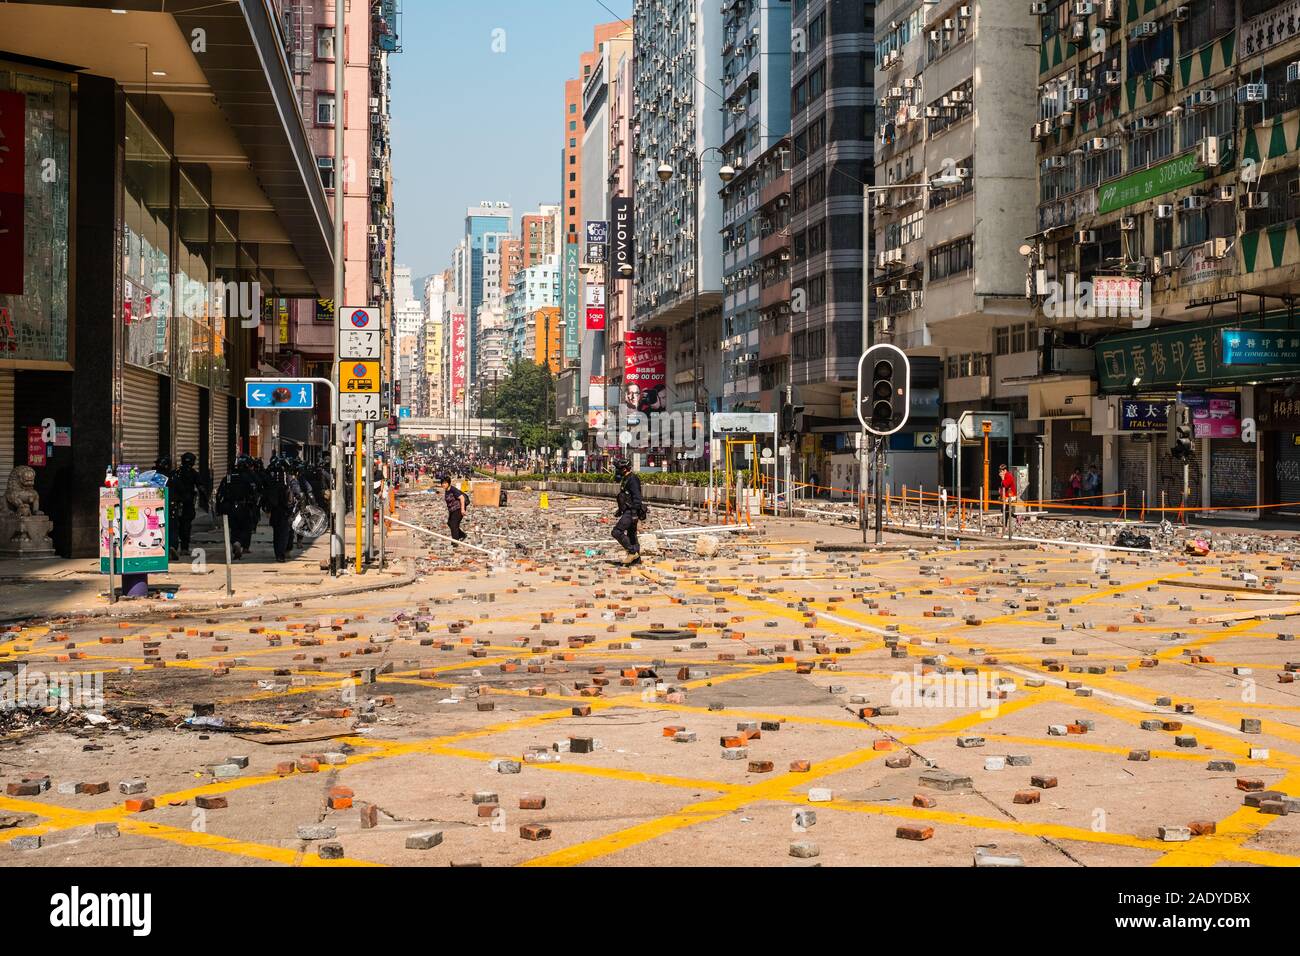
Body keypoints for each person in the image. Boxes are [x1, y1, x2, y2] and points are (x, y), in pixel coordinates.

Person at [215, 456, 258, 559]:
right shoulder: (247, 477)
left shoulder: (228, 478)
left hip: (230, 507)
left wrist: (219, 508)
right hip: (244, 507)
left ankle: (235, 542)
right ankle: (239, 543)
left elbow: (220, 494)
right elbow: (253, 492)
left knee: (234, 528)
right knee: (245, 528)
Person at [612, 457, 644, 565]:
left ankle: (632, 551)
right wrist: (620, 510)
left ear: (625, 469)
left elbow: (637, 498)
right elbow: (625, 497)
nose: (617, 471)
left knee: (616, 532)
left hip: (632, 511)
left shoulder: (632, 479)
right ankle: (637, 560)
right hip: (627, 510)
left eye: (619, 469)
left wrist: (634, 513)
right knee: (631, 535)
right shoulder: (625, 478)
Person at [171, 452, 205, 556]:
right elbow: (200, 487)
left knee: (174, 525)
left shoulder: (176, 472)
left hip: (175, 503)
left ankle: (174, 546)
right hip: (187, 503)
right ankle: (184, 548)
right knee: (186, 525)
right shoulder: (194, 473)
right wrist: (205, 500)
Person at [440, 473, 469, 542]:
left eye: (445, 483)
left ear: (448, 483)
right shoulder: (447, 490)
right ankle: (462, 535)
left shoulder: (453, 489)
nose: (443, 484)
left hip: (458, 509)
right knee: (450, 523)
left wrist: (462, 510)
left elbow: (462, 498)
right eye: (442, 483)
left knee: (454, 525)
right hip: (452, 510)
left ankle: (455, 542)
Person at [998, 463, 1018, 534]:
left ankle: (1006, 525)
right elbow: (1002, 487)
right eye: (1000, 471)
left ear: (1005, 470)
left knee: (1005, 510)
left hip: (1010, 496)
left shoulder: (1008, 476)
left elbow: (1005, 485)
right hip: (1006, 495)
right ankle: (1015, 518)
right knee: (1004, 510)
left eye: (1001, 471)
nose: (1000, 473)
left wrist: (1002, 478)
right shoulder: (1005, 475)